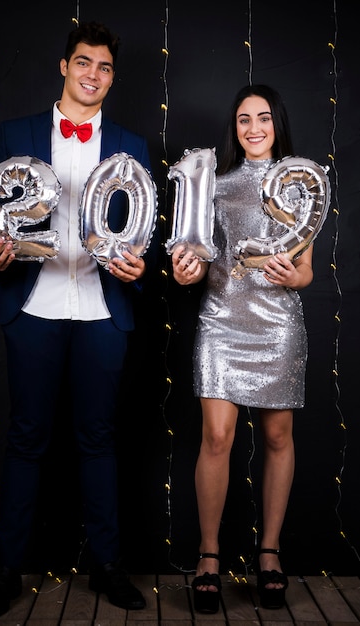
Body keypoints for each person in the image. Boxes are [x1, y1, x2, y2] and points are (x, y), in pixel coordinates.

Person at [0, 21, 159, 620]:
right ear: (63, 66)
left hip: (103, 310)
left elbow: (145, 228)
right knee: (26, 440)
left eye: (104, 68)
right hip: (33, 307)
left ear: (111, 77)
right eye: (84, 63)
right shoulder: (17, 134)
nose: (93, 76)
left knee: (100, 440)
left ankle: (107, 566)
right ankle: (6, 572)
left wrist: (139, 266)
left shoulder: (131, 142)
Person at [171, 84, 313, 613]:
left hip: (278, 324)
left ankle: (269, 553)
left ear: (277, 124)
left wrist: (292, 277)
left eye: (264, 118)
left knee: (278, 435)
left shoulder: (300, 183)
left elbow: (306, 271)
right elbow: (200, 259)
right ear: (234, 128)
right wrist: (187, 270)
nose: (254, 128)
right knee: (216, 436)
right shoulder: (214, 186)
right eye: (243, 120)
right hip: (222, 320)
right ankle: (209, 557)